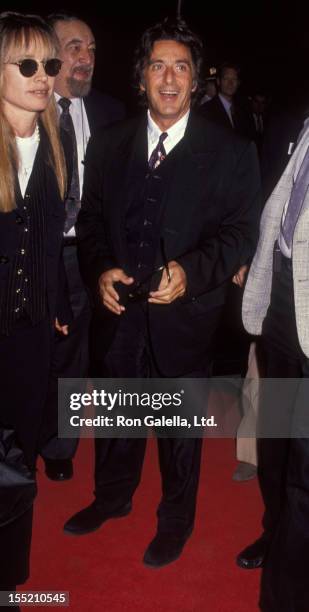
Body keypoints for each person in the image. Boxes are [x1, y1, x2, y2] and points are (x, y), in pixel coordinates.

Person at [65, 18, 260, 569]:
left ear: (197, 80)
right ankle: (112, 497)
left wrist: (192, 272)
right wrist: (100, 268)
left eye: (181, 67)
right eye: (158, 65)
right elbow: (93, 219)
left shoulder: (231, 150)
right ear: (141, 76)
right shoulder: (110, 142)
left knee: (178, 431)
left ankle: (176, 520)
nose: (169, 78)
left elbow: (240, 233)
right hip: (119, 313)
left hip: (186, 319)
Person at [0, 11, 69, 597]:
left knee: (18, 459)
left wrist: (56, 306)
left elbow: (49, 244)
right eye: (27, 64)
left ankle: (9, 584)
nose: (43, 75)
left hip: (28, 337)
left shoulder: (54, 142)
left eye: (49, 63)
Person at [39, 13, 125, 482]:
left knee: (78, 354)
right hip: (37, 254)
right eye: (74, 47)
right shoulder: (24, 108)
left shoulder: (111, 113)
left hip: (90, 254)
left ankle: (58, 444)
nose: (85, 59)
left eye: (91, 49)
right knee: (35, 349)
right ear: (49, 52)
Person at [237, 94, 309, 612]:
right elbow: (273, 200)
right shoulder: (293, 120)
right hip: (283, 301)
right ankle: (276, 531)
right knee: (277, 436)